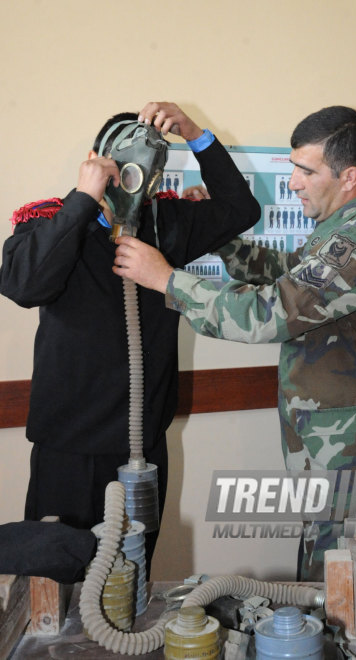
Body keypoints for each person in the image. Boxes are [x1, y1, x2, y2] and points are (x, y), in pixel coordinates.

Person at [112, 106, 356, 656]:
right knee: (333, 589)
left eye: (305, 171)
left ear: (348, 176)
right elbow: (286, 275)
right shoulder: (339, 230)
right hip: (335, 455)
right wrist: (224, 240)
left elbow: (272, 313)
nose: (294, 183)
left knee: (352, 607)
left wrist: (167, 280)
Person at [0, 101, 260, 574]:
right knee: (58, 579)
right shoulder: (50, 222)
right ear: (97, 159)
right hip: (70, 450)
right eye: (122, 162)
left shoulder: (165, 224)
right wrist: (83, 199)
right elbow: (23, 285)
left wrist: (196, 133)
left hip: (141, 446)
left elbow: (242, 208)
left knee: (131, 577)